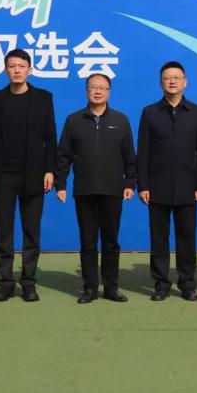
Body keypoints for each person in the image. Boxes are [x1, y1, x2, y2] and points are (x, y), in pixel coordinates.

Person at [0, 49, 59, 302]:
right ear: (5, 70)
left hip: (34, 174)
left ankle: (28, 283)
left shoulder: (43, 98)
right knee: (4, 232)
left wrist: (50, 170)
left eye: (21, 66)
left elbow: (50, 138)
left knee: (31, 232)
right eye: (12, 66)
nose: (17, 70)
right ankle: (5, 283)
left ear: (29, 70)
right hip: (2, 175)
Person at [55, 73, 136, 304]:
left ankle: (111, 288)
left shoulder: (121, 121)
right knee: (88, 242)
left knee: (111, 242)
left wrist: (130, 183)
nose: (98, 91)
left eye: (102, 88)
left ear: (109, 92)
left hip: (113, 190)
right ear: (86, 91)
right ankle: (89, 288)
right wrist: (61, 184)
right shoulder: (74, 120)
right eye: (93, 87)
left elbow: (129, 156)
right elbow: (63, 156)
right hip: (85, 190)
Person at [137, 61, 197, 301]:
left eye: (177, 77)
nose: (172, 81)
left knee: (187, 238)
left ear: (185, 82)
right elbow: (143, 151)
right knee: (159, 239)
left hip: (188, 186)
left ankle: (187, 283)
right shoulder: (150, 112)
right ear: (161, 83)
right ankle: (161, 284)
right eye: (167, 78)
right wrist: (143, 185)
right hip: (157, 186)